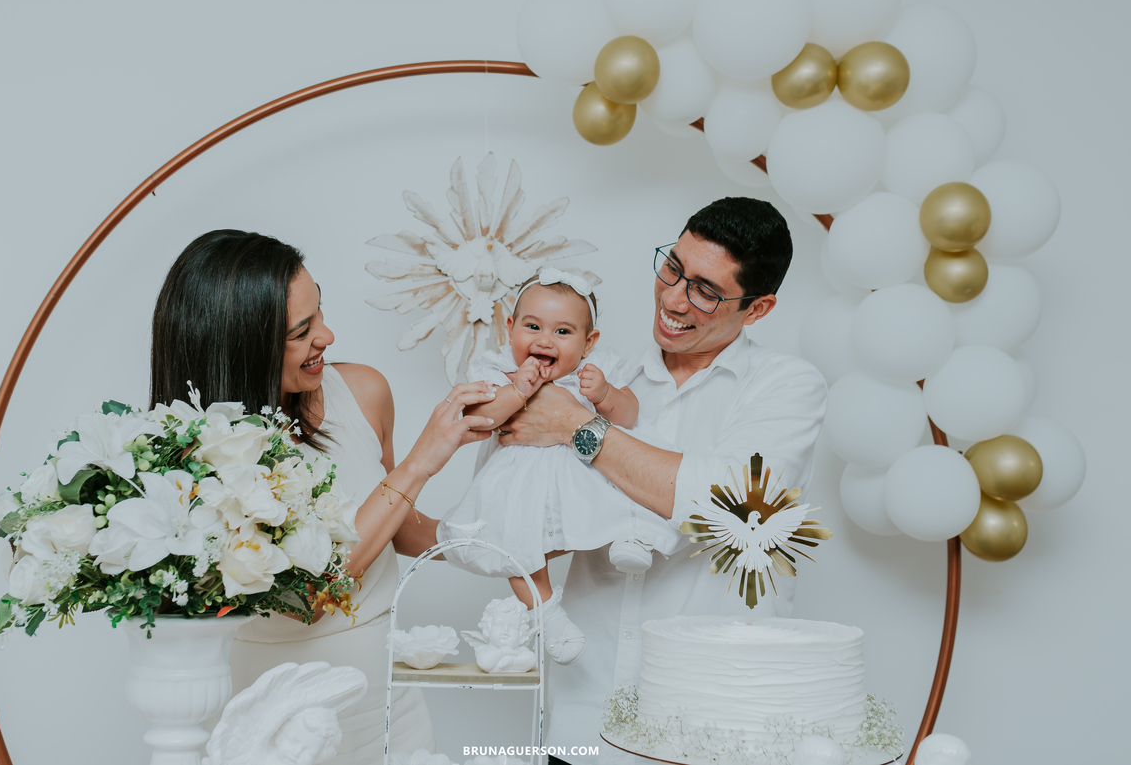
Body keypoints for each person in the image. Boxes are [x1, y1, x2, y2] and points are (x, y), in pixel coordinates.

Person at [495, 198, 829, 764]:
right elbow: (540, 514)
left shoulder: (788, 388)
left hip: (709, 723)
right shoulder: (608, 381)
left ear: (757, 308)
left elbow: (728, 504)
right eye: (672, 268)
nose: (674, 298)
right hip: (584, 714)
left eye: (705, 291)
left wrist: (580, 429)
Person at [151, 229, 497, 764]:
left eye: (321, 314)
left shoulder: (361, 392)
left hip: (388, 698)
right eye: (301, 330)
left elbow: (387, 520)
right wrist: (423, 461)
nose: (328, 336)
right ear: (241, 346)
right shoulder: (194, 462)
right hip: (279, 716)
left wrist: (483, 544)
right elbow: (308, 598)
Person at [437, 269, 684, 666]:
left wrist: (604, 395)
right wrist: (517, 390)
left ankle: (633, 537)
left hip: (582, 471)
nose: (544, 340)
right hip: (518, 478)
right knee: (511, 542)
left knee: (630, 467)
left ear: (589, 344)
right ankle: (547, 615)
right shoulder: (495, 367)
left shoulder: (598, 368)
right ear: (510, 326)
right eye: (532, 326)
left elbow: (630, 416)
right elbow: (483, 418)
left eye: (563, 332)